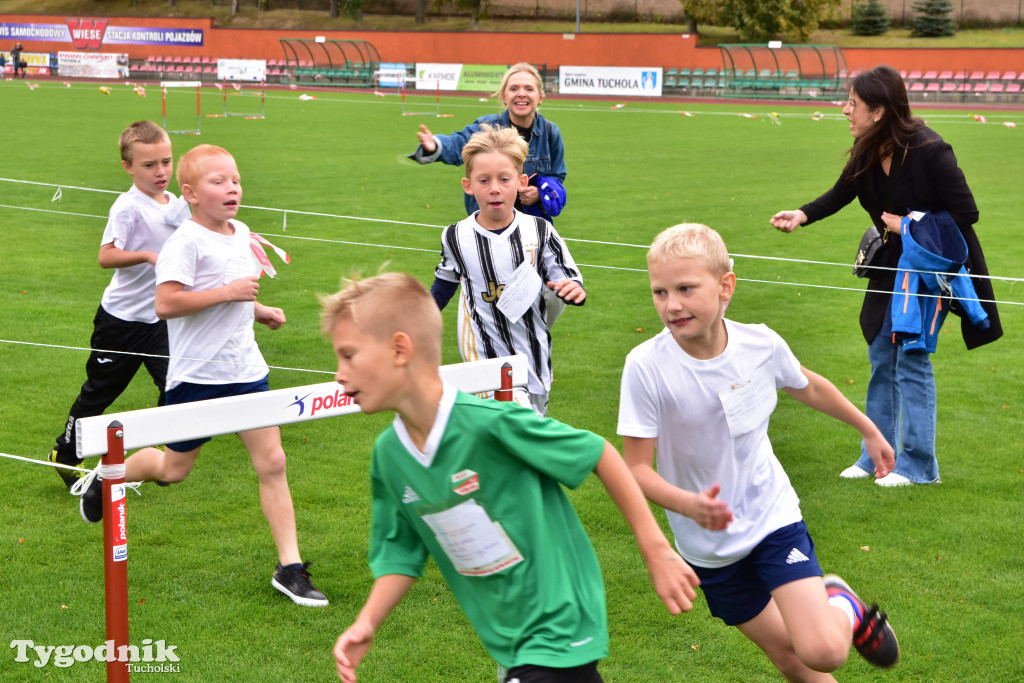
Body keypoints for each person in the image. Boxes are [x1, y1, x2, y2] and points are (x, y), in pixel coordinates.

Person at [323, 271, 700, 683]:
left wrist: (656, 550)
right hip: (511, 642)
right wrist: (366, 624)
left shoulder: (491, 424)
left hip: (559, 625)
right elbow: (401, 554)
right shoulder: (390, 456)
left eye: (348, 355)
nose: (339, 373)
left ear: (399, 349)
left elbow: (599, 453)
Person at [619, 223, 902, 680]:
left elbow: (807, 386)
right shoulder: (645, 367)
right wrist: (688, 504)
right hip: (707, 548)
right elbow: (636, 469)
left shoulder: (760, 343)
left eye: (686, 288)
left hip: (772, 517)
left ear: (725, 285)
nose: (672, 305)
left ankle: (843, 606)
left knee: (823, 652)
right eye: (660, 292)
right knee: (790, 657)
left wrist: (867, 429)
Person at [74, 144, 328, 608]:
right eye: (218, 182)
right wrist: (229, 292)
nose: (232, 188)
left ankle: (290, 568)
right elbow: (166, 303)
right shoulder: (183, 243)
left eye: (235, 179)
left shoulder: (242, 231)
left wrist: (258, 309)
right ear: (189, 193)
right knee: (174, 470)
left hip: (246, 369)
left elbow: (232, 293)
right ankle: (109, 476)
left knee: (273, 463)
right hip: (196, 378)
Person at [770, 64, 1002, 486]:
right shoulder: (866, 148)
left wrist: (908, 226)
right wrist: (802, 214)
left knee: (911, 360)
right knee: (881, 358)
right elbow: (842, 192)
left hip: (928, 271)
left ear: (878, 111)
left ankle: (919, 466)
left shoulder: (932, 150)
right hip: (887, 267)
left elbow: (967, 213)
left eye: (852, 104)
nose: (844, 110)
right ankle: (875, 456)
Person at [48, 121, 188, 490]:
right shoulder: (127, 207)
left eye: (166, 162)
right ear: (128, 166)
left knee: (176, 384)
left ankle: (158, 457)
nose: (161, 172)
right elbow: (106, 256)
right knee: (99, 393)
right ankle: (65, 455)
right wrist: (146, 256)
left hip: (160, 319)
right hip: (120, 322)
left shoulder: (175, 204)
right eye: (149, 165)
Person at [430, 124, 584, 416]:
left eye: (504, 179)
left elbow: (565, 275)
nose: (495, 189)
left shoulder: (539, 231)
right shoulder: (456, 236)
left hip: (533, 360)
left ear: (521, 181)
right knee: (501, 431)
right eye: (484, 180)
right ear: (468, 186)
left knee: (530, 439)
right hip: (483, 359)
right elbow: (443, 286)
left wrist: (573, 289)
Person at [409, 62, 565, 224]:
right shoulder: (486, 128)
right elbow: (458, 144)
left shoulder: (550, 132)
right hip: (488, 226)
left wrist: (539, 193)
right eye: (513, 89)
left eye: (529, 89)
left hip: (531, 227)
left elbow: (557, 175)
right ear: (504, 97)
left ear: (539, 97)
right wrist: (435, 145)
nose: (521, 94)